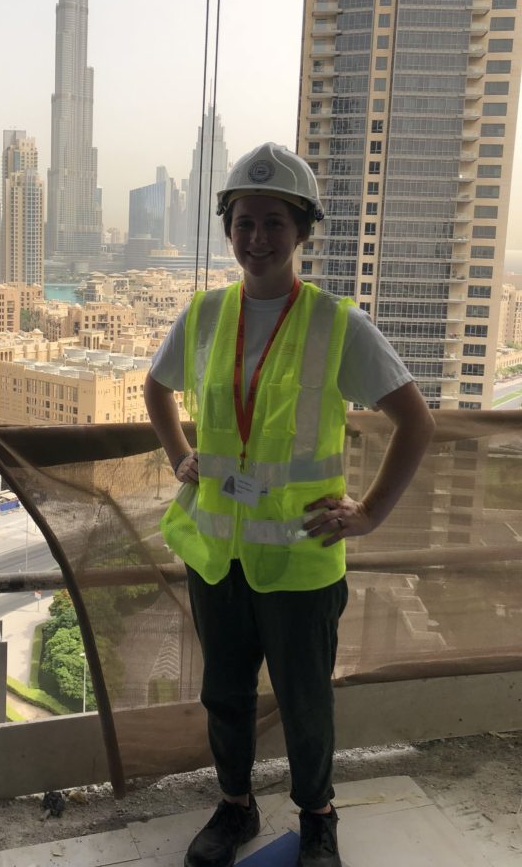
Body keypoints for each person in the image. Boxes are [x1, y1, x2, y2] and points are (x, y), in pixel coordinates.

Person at [143, 142, 435, 867]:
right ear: (228, 230)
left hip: (301, 559)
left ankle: (318, 819)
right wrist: (179, 452)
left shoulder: (338, 324)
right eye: (244, 222)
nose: (257, 239)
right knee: (225, 695)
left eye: (274, 222)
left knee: (306, 703)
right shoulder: (206, 315)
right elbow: (157, 387)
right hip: (217, 554)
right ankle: (236, 807)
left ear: (302, 232)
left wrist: (368, 513)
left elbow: (416, 421)